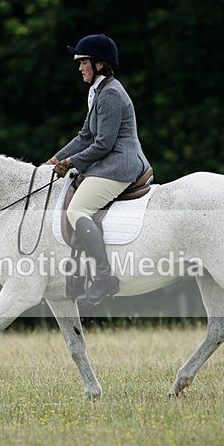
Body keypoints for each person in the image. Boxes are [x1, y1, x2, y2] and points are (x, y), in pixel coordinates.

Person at [48, 34, 151, 305]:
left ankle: (104, 278)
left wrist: (71, 163)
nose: (80, 68)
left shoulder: (111, 94)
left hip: (120, 164)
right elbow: (85, 136)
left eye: (84, 62)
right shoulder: (98, 91)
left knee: (76, 210)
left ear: (100, 64)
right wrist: (56, 158)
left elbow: (103, 144)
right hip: (109, 161)